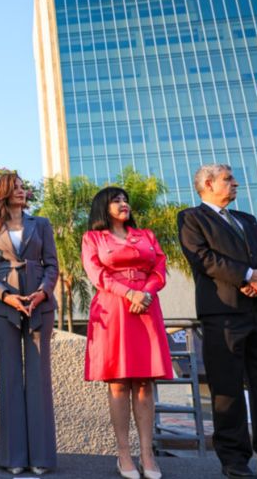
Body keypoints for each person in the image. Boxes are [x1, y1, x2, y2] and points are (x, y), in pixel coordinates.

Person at [177, 164, 257, 479]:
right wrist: (246, 276)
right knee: (227, 389)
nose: (235, 183)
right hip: (222, 314)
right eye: (228, 179)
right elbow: (203, 258)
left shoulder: (246, 219)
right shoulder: (191, 218)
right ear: (208, 184)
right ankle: (234, 461)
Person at [81, 187, 172, 479]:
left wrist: (144, 293)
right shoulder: (93, 238)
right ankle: (124, 454)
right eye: (116, 200)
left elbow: (159, 266)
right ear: (102, 208)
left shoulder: (146, 235)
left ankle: (148, 455)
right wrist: (128, 293)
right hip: (113, 307)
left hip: (145, 307)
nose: (124, 204)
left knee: (144, 381)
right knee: (118, 382)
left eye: (125, 200)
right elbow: (96, 273)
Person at [0, 173, 59, 475]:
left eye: (24, 187)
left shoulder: (42, 224)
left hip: (41, 306)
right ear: (4, 193)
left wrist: (42, 292)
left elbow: (52, 264)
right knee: (10, 379)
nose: (23, 191)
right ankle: (14, 457)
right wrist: (6, 296)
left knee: (39, 379)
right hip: (4, 309)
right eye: (17, 187)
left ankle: (41, 457)